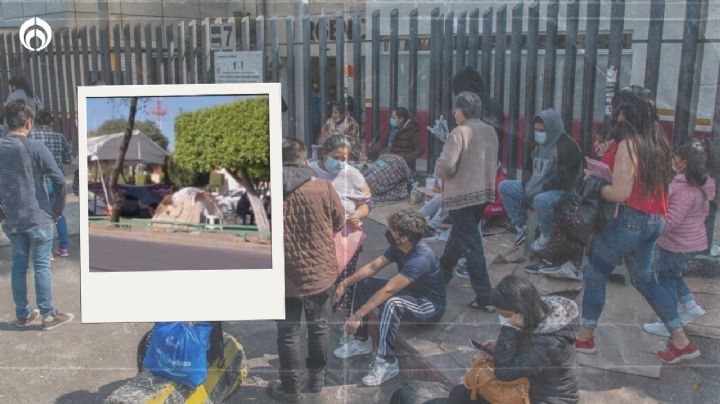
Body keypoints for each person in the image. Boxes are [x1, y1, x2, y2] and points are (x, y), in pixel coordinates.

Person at [575, 85, 701, 364]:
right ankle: (682, 341)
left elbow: (620, 193)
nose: (614, 113)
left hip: (630, 220)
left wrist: (594, 184)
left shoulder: (629, 145)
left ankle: (584, 338)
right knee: (644, 280)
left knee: (595, 270)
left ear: (625, 111)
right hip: (654, 220)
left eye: (617, 107)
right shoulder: (658, 142)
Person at [333, 209, 446, 386]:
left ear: (404, 237)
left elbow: (388, 291)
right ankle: (361, 340)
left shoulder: (421, 258)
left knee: (392, 303)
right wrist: (344, 283)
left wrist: (358, 315)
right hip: (410, 294)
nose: (389, 232)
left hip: (428, 304)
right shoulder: (398, 247)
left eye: (392, 230)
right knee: (364, 284)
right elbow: (372, 267)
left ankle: (386, 362)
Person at [270, 139, 345, 403]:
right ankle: (316, 381)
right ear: (304, 160)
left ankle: (291, 389)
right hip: (320, 275)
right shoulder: (324, 187)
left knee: (288, 334)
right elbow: (339, 221)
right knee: (319, 327)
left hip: (284, 277)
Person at [0, 100, 73, 330]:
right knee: (41, 265)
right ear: (28, 122)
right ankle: (48, 315)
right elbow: (59, 179)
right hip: (38, 216)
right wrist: (57, 210)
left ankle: (23, 314)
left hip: (12, 218)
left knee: (19, 265)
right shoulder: (35, 148)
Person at [448, 276, 579, 404]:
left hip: (544, 398)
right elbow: (527, 346)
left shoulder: (551, 343)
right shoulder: (536, 312)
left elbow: (504, 373)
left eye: (507, 316)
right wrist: (499, 345)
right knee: (460, 394)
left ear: (520, 312)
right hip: (527, 385)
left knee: (462, 396)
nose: (505, 321)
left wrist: (509, 330)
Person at [642, 138, 715, 337]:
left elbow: (672, 220)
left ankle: (667, 322)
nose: (672, 160)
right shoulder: (698, 185)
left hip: (677, 244)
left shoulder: (684, 190)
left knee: (666, 278)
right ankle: (691, 306)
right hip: (689, 243)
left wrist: (651, 229)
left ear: (683, 162)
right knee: (672, 275)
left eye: (675, 157)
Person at [435, 91, 497, 309]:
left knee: (471, 246)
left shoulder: (459, 132)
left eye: (456, 110)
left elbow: (446, 166)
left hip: (461, 197)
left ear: (460, 111)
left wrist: (438, 168)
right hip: (483, 194)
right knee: (459, 237)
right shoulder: (490, 131)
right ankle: (442, 274)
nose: (454, 113)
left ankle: (485, 296)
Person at [499, 109, 583, 251]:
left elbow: (567, 179)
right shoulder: (537, 144)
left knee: (541, 200)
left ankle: (546, 234)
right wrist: (527, 184)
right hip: (536, 186)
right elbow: (528, 169)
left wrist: (541, 188)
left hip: (558, 190)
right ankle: (523, 225)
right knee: (504, 186)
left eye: (542, 130)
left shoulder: (567, 146)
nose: (538, 133)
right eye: (536, 129)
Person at [309, 134, 372, 316]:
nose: (340, 162)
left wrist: (357, 214)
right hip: (318, 237)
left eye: (344, 159)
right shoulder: (310, 173)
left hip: (346, 237)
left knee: (345, 278)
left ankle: (344, 315)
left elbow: (367, 204)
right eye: (335, 158)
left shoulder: (353, 174)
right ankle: (321, 314)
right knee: (322, 281)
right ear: (324, 154)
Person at [29, 110, 75, 257]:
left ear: (36, 122)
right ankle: (64, 248)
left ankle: (48, 252)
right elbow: (69, 159)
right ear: (51, 123)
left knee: (43, 217)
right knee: (59, 215)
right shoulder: (60, 137)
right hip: (57, 182)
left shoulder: (31, 137)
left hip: (39, 182)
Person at [368, 107, 424, 171]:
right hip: (391, 161)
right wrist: (369, 155)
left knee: (381, 174)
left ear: (401, 119)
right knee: (374, 169)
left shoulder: (412, 130)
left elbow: (420, 150)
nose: (391, 119)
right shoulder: (394, 129)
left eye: (394, 118)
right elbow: (382, 143)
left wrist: (405, 158)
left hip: (403, 166)